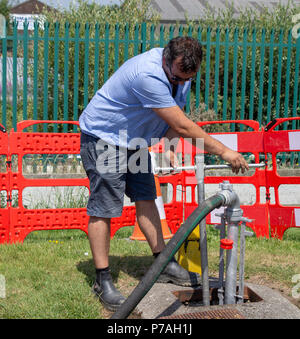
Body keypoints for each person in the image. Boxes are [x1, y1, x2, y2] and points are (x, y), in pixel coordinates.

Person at [79, 36, 248, 311]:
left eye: (187, 79)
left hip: (134, 140)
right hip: (106, 137)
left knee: (146, 197)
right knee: (106, 207)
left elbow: (173, 114)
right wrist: (224, 151)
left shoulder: (181, 70)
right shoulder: (147, 73)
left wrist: (169, 146)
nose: (182, 83)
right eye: (178, 77)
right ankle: (102, 280)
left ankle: (163, 263)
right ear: (166, 60)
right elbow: (183, 125)